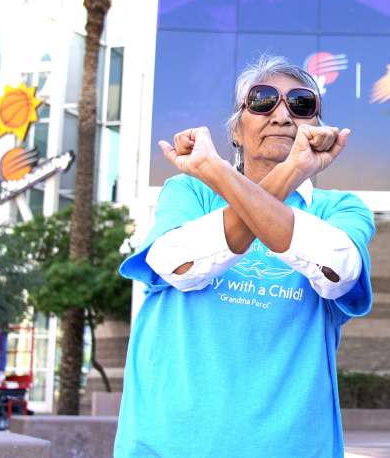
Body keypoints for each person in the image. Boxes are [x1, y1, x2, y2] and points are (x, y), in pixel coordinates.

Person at [115, 55, 374, 458]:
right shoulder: (190, 192)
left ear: (317, 128)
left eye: (301, 104)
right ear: (236, 129)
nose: (282, 115)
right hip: (170, 444)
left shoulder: (341, 209)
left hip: (292, 447)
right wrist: (270, 175)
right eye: (263, 100)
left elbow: (337, 270)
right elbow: (179, 265)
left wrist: (220, 171)